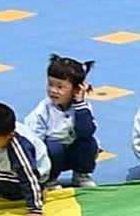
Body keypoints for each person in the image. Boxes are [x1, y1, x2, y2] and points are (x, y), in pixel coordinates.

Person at [25, 55, 101, 190]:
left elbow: (86, 132)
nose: (53, 90)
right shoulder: (43, 109)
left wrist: (79, 103)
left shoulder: (83, 107)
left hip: (72, 152)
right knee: (53, 147)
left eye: (60, 87)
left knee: (89, 143)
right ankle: (50, 179)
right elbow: (35, 141)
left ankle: (81, 175)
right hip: (52, 155)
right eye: (50, 84)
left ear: (76, 89)